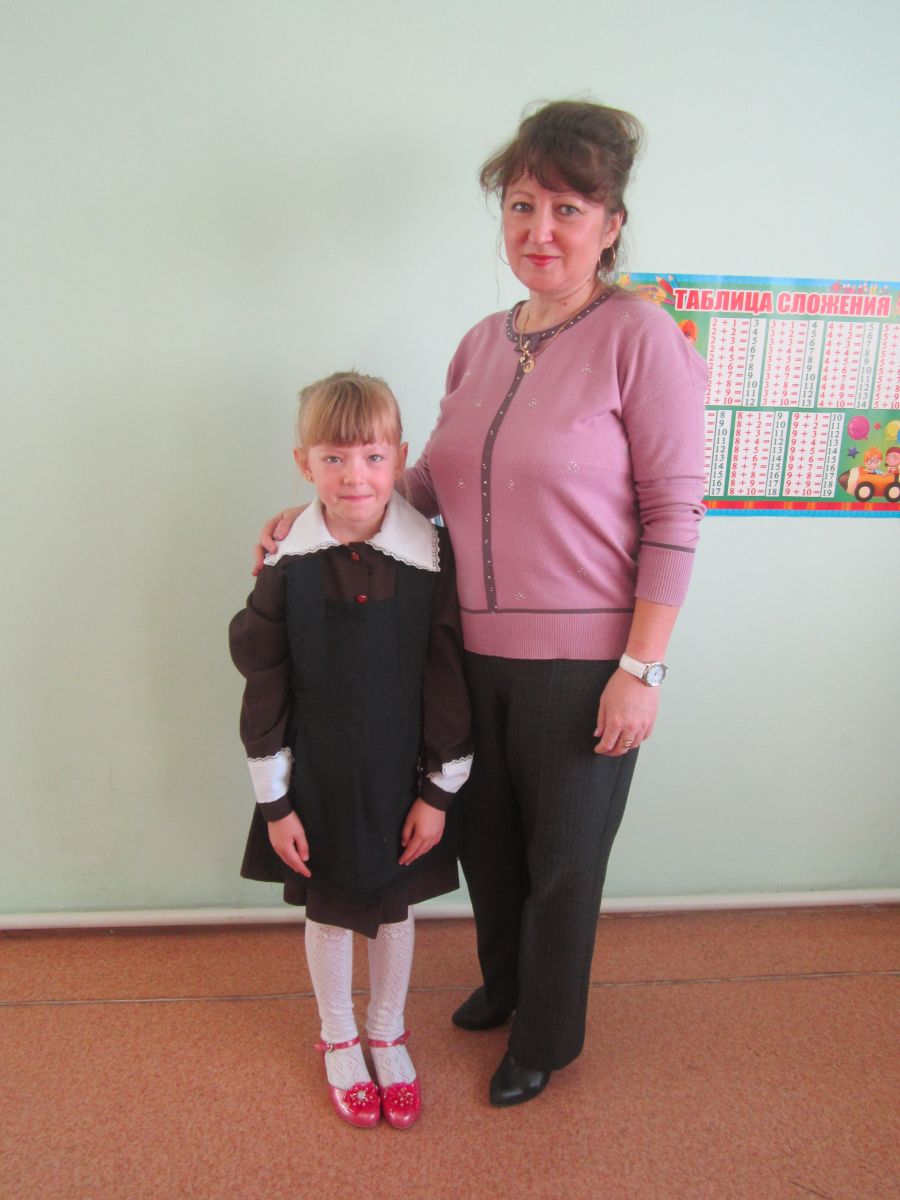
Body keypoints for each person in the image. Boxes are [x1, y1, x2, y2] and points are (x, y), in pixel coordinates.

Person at [255, 101, 707, 1107]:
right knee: (489, 849)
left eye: (567, 209)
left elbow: (676, 514)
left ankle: (544, 1037)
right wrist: (317, 516)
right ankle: (503, 987)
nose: (540, 230)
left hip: (586, 666)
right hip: (467, 649)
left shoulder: (641, 338)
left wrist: (641, 669)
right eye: (521, 205)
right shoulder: (481, 344)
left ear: (611, 223)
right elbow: (429, 484)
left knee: (562, 863)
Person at [230, 371, 472, 1129]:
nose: (354, 476)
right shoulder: (288, 566)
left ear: (399, 456)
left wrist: (438, 793)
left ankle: (386, 1031)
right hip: (319, 782)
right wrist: (276, 804)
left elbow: (447, 679)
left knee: (394, 910)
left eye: (371, 457)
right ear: (304, 464)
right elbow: (264, 683)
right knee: (332, 912)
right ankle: (338, 1035)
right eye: (333, 459)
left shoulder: (431, 561)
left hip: (404, 779)